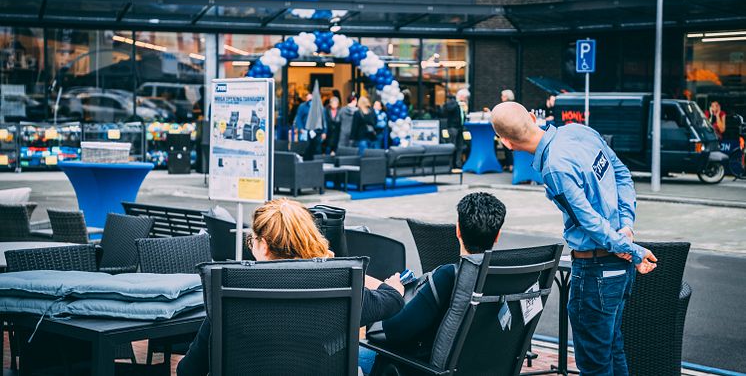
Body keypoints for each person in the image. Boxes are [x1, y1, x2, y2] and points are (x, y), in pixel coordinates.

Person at [490, 102, 657, 375]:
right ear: (533, 117)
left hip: (596, 272)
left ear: (507, 143)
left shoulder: (554, 169)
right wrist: (626, 227)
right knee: (613, 350)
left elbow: (588, 222)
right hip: (619, 267)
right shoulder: (580, 131)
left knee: (595, 365)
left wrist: (632, 248)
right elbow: (622, 174)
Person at [177, 198, 405, 376]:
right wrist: (393, 286)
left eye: (252, 240)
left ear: (264, 246)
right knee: (367, 355)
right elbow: (391, 302)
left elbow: (188, 370)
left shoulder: (229, 288)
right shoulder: (334, 285)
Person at [371, 192, 506, 363]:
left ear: (457, 230)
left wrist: (391, 290)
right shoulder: (508, 276)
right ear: (497, 235)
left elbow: (394, 330)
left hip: (420, 366)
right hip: (481, 365)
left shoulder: (449, 276)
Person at [443, 93, 466, 167]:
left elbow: (462, 116)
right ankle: (450, 164)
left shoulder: (462, 105)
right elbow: (448, 109)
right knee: (452, 146)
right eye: (464, 97)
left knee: (460, 146)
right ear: (460, 96)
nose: (465, 98)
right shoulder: (453, 102)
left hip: (460, 127)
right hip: (453, 127)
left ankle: (458, 163)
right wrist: (457, 103)